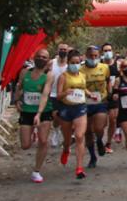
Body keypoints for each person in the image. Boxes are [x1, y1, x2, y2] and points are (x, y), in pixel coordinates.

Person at [13, 48, 56, 183]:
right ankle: (32, 133)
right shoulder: (25, 72)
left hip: (44, 111)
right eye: (39, 56)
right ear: (34, 57)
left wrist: (39, 113)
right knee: (25, 145)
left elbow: (45, 94)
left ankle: (36, 171)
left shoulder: (49, 75)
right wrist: (17, 100)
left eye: (45, 57)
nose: (41, 59)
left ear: (48, 60)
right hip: (26, 111)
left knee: (43, 141)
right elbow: (19, 88)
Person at [56, 50, 91, 180]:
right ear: (68, 62)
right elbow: (58, 96)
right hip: (66, 109)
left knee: (79, 136)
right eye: (72, 63)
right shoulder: (63, 77)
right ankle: (66, 149)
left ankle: (79, 168)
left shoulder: (82, 75)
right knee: (67, 140)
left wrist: (89, 94)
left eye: (77, 63)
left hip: (80, 108)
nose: (75, 65)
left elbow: (83, 88)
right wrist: (66, 92)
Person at [81, 45, 111, 168]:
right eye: (90, 56)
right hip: (85, 102)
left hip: (100, 102)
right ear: (86, 56)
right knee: (87, 131)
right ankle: (92, 156)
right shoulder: (81, 69)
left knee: (99, 128)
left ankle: (99, 140)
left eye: (95, 56)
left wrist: (109, 93)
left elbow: (108, 81)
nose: (93, 58)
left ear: (99, 56)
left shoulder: (104, 67)